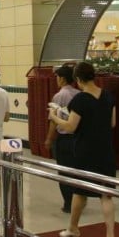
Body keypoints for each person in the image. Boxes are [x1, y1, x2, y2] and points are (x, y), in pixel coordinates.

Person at [48, 62, 117, 237]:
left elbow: (70, 127)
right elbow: (112, 123)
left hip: (85, 151)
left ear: (78, 79)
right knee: (106, 194)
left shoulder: (80, 100)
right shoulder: (108, 96)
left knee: (79, 191)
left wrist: (54, 117)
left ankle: (73, 229)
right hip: (106, 151)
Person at [44, 65, 80, 213]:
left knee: (64, 171)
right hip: (78, 137)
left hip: (65, 138)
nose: (56, 80)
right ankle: (78, 201)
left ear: (63, 79)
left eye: (57, 77)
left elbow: (54, 121)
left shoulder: (59, 96)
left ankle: (68, 203)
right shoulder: (79, 94)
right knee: (76, 170)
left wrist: (49, 139)